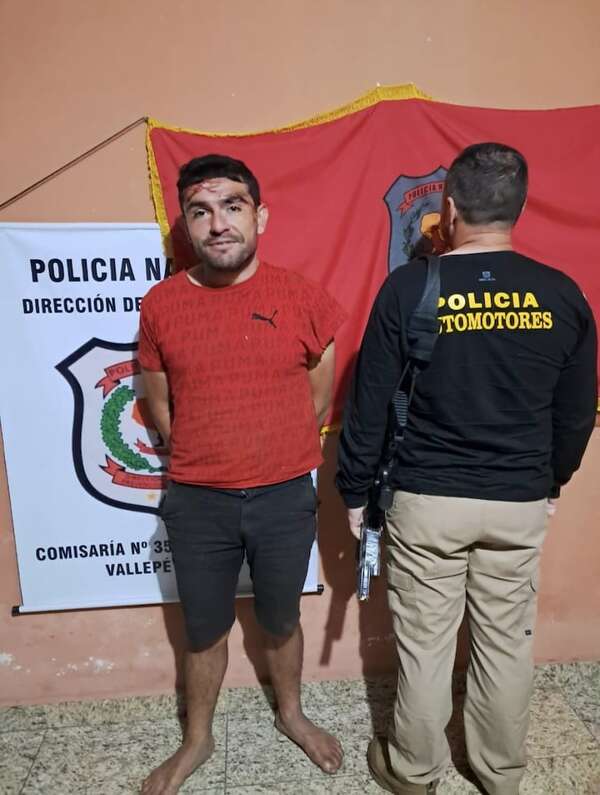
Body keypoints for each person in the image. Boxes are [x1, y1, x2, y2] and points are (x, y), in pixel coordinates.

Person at [336, 142, 597, 795]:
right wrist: (551, 482)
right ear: (518, 208)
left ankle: (415, 771)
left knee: (426, 644)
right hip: (517, 498)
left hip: (428, 499)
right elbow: (576, 414)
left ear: (449, 208)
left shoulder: (408, 287)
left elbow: (367, 404)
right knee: (505, 641)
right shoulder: (562, 294)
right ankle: (498, 772)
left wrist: (353, 490)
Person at [138, 154, 346, 794]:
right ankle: (197, 740)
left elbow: (319, 397)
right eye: (201, 211)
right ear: (186, 226)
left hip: (285, 494)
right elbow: (156, 400)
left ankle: (292, 714)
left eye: (232, 206)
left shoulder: (302, 296)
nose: (218, 223)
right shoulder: (163, 304)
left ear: (260, 215)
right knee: (203, 628)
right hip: (199, 501)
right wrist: (211, 457)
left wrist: (270, 453)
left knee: (281, 616)